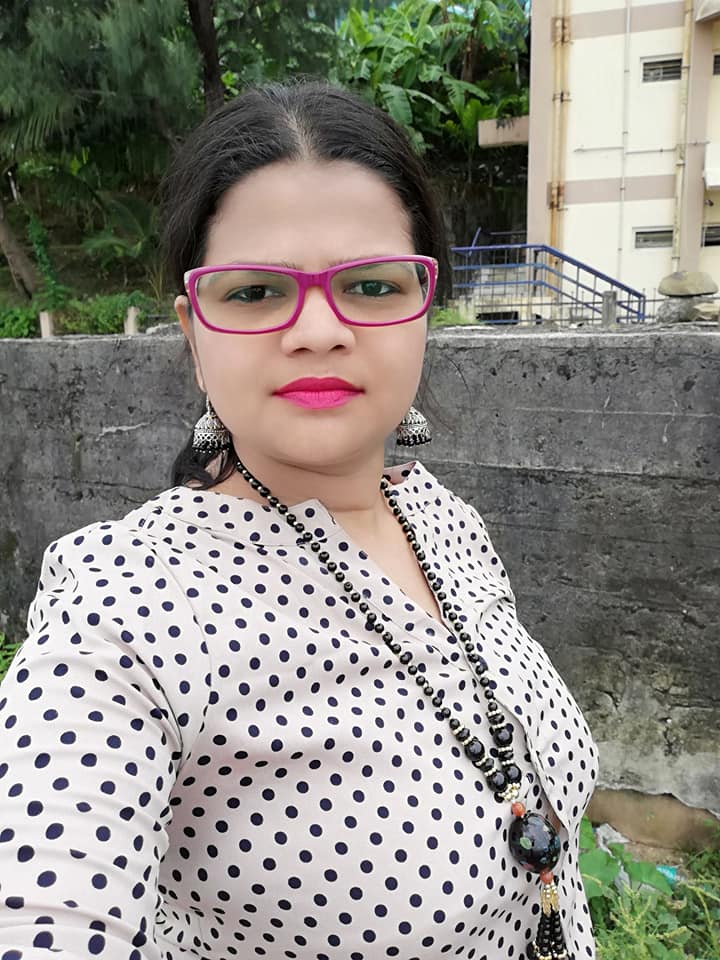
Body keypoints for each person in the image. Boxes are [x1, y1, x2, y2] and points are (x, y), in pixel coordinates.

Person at [0, 81, 597, 960]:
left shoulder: (447, 521)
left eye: (371, 284)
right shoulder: (125, 606)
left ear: (423, 306)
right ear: (193, 333)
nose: (318, 330)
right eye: (253, 292)